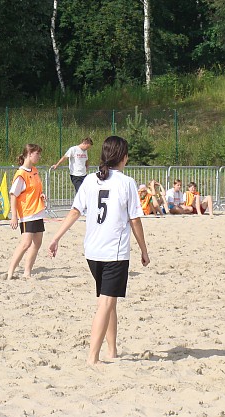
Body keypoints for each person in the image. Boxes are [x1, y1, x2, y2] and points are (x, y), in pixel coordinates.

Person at [48, 136, 150, 365]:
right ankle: (92, 357)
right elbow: (135, 220)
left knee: (108, 301)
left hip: (92, 251)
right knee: (105, 304)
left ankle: (112, 350)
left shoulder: (90, 180)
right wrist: (144, 250)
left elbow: (75, 211)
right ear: (124, 157)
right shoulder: (126, 182)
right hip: (114, 252)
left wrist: (56, 237)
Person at [7, 144, 46, 279]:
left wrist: (41, 194)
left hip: (38, 211)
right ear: (29, 154)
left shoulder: (34, 170)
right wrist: (14, 216)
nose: (39, 156)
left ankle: (27, 272)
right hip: (27, 213)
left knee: (37, 242)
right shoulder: (21, 174)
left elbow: (35, 189)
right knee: (25, 243)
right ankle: (10, 272)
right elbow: (13, 195)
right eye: (37, 154)